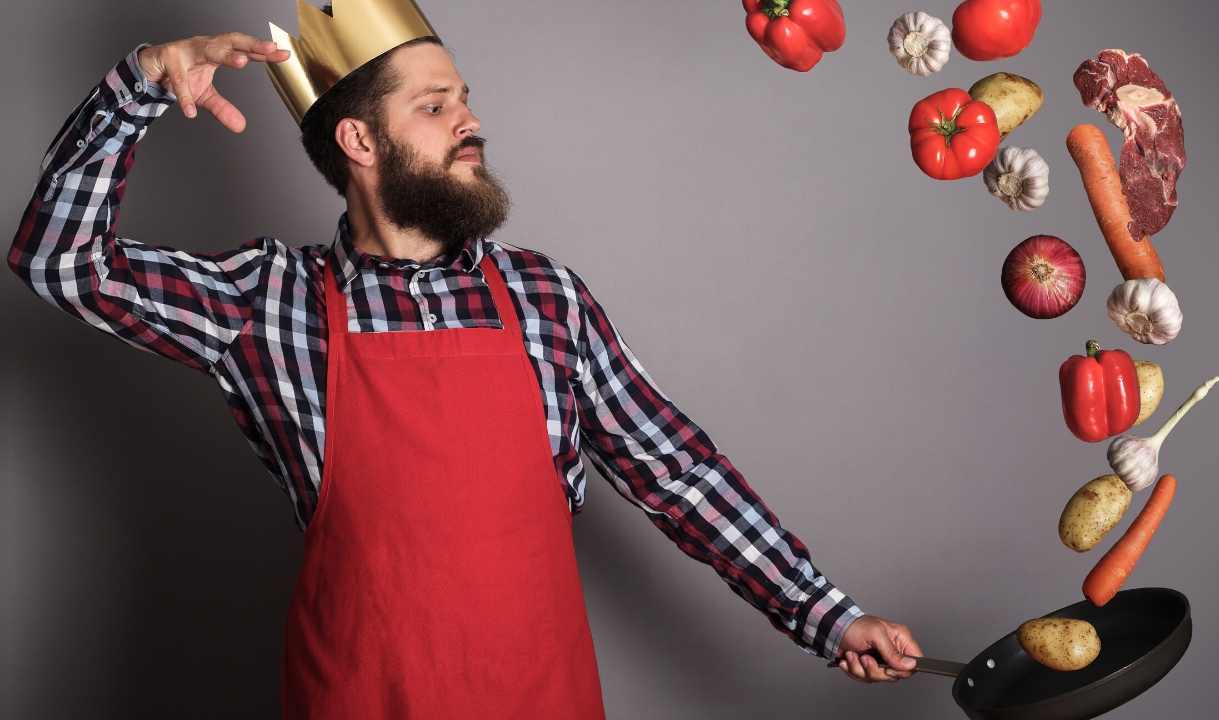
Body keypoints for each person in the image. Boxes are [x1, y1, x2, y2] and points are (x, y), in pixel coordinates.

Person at [8, 8, 921, 718]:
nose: (471, 122)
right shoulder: (267, 301)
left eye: (465, 99)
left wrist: (826, 615)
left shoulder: (543, 298)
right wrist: (135, 89)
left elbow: (678, 472)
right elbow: (60, 262)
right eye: (436, 106)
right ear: (360, 143)